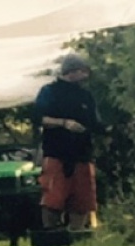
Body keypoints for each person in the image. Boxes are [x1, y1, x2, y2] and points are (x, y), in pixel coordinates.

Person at [33, 54, 102, 231]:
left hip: (82, 153)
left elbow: (95, 122)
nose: (86, 76)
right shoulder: (49, 92)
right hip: (57, 153)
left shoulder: (86, 96)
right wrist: (64, 123)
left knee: (82, 199)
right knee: (53, 198)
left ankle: (77, 233)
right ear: (72, 71)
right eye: (83, 71)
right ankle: (51, 233)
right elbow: (39, 118)